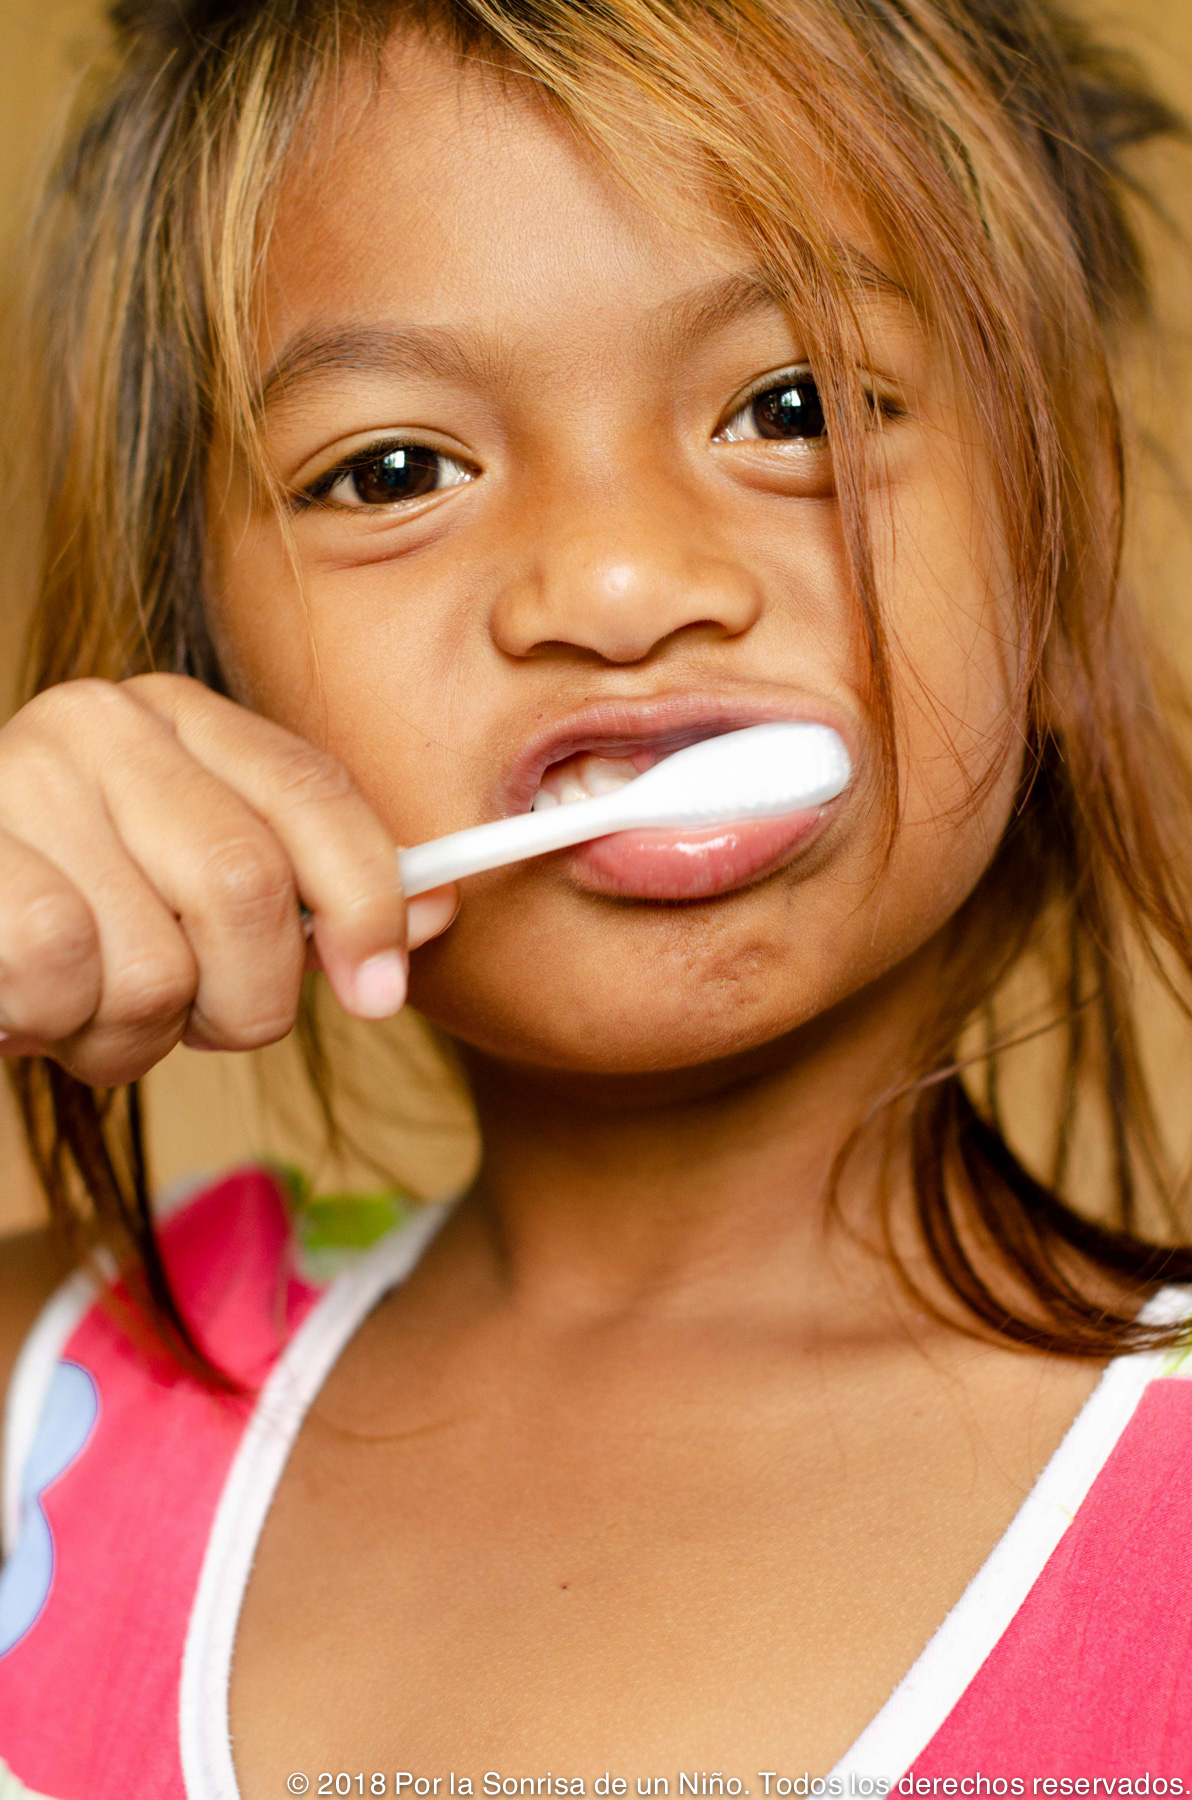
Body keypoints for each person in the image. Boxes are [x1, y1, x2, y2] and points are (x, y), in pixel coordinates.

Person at [1, 0, 1192, 1792]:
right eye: (393, 471)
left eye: (793, 408)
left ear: (1057, 516)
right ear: (203, 658)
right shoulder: (39, 1399)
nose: (622, 584)